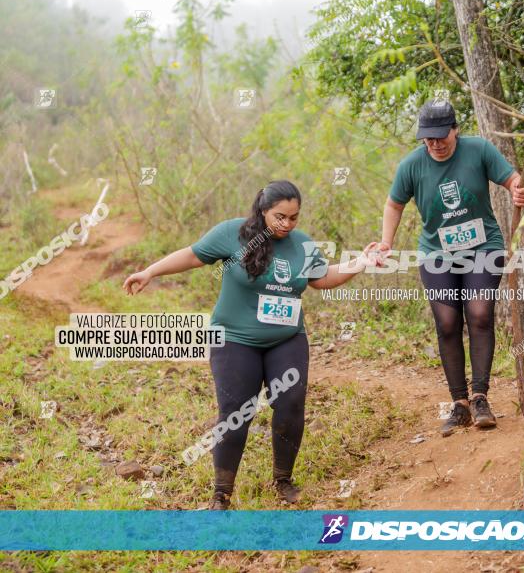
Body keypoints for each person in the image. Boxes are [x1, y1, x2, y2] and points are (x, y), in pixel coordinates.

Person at [123, 180, 378, 509]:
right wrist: (149, 272)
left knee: (290, 403)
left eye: (294, 217)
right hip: (234, 338)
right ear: (263, 210)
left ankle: (283, 480)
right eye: (279, 217)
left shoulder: (302, 243)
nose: (287, 224)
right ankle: (221, 494)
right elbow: (191, 255)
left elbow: (321, 278)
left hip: (286, 337)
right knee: (235, 413)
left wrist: (360, 264)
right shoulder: (233, 234)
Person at [375, 101, 524, 437]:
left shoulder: (479, 150)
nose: (435, 144)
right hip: (437, 254)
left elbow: (513, 179)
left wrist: (519, 191)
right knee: (447, 323)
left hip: (482, 248)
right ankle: (458, 404)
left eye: (441, 137)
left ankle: (479, 397)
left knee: (479, 314)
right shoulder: (411, 166)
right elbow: (394, 204)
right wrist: (387, 242)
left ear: (455, 130)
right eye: (427, 139)